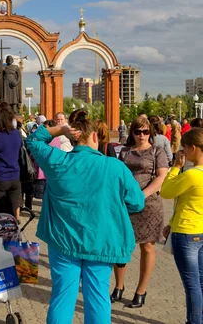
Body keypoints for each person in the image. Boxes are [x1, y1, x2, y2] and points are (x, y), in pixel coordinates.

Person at [26, 110, 145, 323]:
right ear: (95, 137)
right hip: (100, 242)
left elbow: (34, 140)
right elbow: (137, 202)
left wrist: (58, 130)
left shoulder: (57, 161)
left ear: (73, 140)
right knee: (98, 297)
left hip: (63, 240)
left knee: (62, 296)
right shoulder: (115, 166)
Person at [113, 116, 169, 308]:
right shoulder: (125, 151)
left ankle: (141, 291)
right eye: (138, 132)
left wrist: (141, 195)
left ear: (150, 133)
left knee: (147, 247)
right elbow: (118, 176)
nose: (142, 135)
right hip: (125, 205)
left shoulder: (157, 151)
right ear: (132, 133)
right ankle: (118, 287)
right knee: (121, 246)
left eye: (146, 132)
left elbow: (161, 177)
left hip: (149, 205)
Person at [160, 129, 203, 324]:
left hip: (186, 231)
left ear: (193, 148)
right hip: (200, 230)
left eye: (185, 148)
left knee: (192, 285)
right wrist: (170, 222)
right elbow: (186, 201)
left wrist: (176, 167)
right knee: (200, 282)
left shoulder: (192, 175)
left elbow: (166, 192)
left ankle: (194, 321)